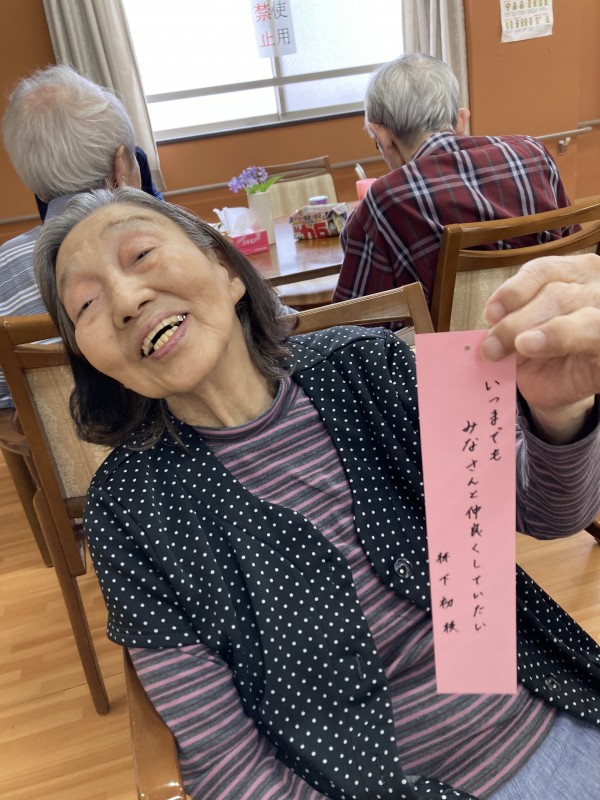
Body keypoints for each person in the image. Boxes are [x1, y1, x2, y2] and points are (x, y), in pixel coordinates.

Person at [34, 187, 600, 800]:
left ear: (226, 271)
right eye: (85, 304)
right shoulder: (127, 510)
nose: (125, 300)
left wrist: (558, 411)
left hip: (546, 714)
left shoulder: (369, 367)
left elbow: (550, 514)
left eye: (141, 253)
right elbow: (224, 760)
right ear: (91, 358)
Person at [333, 53, 575, 308]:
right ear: (461, 120)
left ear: (382, 136)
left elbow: (355, 317)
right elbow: (576, 249)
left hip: (453, 336)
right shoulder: (533, 152)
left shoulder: (386, 198)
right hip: (554, 324)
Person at [0, 63, 161, 409]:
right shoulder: (167, 240)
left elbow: (4, 404)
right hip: (182, 438)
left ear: (37, 188)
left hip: (58, 443)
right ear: (122, 168)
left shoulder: (4, 266)